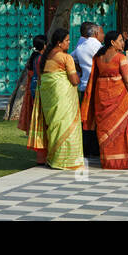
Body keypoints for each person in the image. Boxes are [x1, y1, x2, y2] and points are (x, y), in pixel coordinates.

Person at [80, 29, 128, 169]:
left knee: (105, 128)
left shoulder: (98, 57)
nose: (123, 43)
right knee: (123, 127)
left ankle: (109, 160)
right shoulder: (121, 58)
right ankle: (125, 160)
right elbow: (127, 80)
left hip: (101, 95)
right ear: (113, 43)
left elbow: (94, 77)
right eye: (120, 40)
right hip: (118, 95)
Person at [25, 28, 83, 170]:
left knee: (54, 126)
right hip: (63, 98)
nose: (69, 43)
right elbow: (74, 80)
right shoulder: (66, 57)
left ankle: (52, 158)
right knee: (65, 125)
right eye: (67, 40)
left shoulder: (46, 57)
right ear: (59, 43)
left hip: (48, 98)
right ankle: (65, 160)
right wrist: (79, 77)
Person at [72, 21, 104, 158]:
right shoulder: (99, 47)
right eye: (102, 33)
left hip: (84, 85)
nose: (103, 35)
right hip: (97, 85)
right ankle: (96, 148)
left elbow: (72, 59)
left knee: (85, 118)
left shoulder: (80, 47)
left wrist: (82, 71)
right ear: (96, 33)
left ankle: (86, 148)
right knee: (98, 118)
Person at [17, 34, 49, 164]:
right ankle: (44, 156)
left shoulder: (33, 58)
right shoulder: (41, 59)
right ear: (44, 45)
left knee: (38, 121)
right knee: (43, 122)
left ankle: (41, 157)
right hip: (39, 91)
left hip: (33, 90)